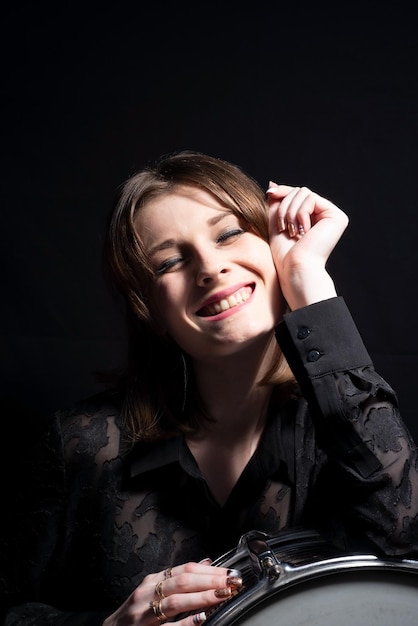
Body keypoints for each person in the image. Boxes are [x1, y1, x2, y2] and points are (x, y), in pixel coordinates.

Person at [2, 150, 418, 626]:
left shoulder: (348, 425)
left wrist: (308, 284)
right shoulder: (81, 443)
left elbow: (405, 543)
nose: (209, 267)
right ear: (150, 312)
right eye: (169, 263)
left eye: (229, 233)